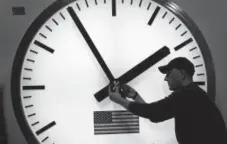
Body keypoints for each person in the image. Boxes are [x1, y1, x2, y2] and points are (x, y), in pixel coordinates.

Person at [108, 57, 227, 144]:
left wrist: (119, 100)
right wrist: (135, 96)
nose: (165, 78)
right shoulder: (195, 94)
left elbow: (154, 113)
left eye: (169, 73)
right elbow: (155, 114)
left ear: (182, 74)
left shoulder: (185, 96)